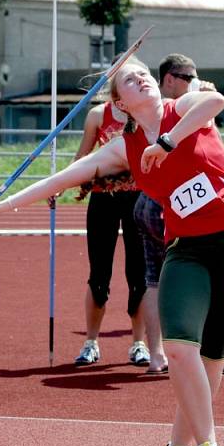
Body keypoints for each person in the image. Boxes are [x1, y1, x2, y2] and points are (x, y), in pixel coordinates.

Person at [0, 56, 224, 446]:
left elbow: (215, 100)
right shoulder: (123, 148)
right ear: (119, 103)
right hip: (187, 252)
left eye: (142, 72)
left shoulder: (184, 108)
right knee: (181, 351)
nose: (140, 77)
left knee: (211, 362)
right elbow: (63, 178)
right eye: (129, 78)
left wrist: (167, 142)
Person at [135, 53, 224, 375]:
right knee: (188, 279)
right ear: (169, 79)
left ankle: (160, 354)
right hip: (169, 207)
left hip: (170, 202)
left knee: (157, 279)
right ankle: (202, 354)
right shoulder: (170, 107)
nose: (193, 82)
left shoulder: (186, 105)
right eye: (186, 77)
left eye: (195, 77)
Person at [71, 97, 148, 366]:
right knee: (99, 271)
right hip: (103, 198)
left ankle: (139, 343)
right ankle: (90, 342)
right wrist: (57, 184)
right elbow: (83, 156)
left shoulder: (145, 111)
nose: (135, 83)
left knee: (139, 271)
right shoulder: (97, 115)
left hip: (138, 198)